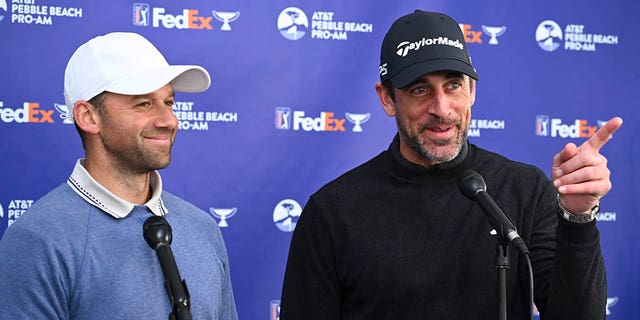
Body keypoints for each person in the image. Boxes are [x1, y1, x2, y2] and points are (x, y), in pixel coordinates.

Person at [280, 10, 623, 319]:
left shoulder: (525, 189)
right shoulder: (332, 212)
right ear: (387, 99)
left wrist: (577, 218)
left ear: (472, 91)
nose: (441, 109)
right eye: (419, 90)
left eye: (453, 85)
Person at [0, 32, 238, 319]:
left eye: (169, 102)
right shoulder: (38, 240)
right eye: (143, 104)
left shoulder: (202, 229)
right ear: (88, 116)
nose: (168, 120)